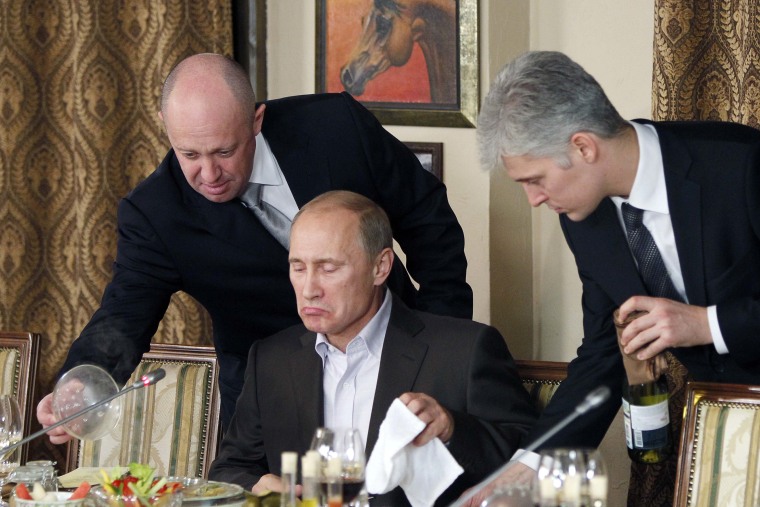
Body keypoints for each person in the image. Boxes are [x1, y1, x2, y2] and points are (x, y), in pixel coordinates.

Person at [36, 53, 473, 440]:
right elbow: (122, 318)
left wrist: (440, 343)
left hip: (395, 364)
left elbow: (429, 221)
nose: (209, 174)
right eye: (189, 154)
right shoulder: (155, 214)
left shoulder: (335, 127)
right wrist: (79, 384)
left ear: (256, 121)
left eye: (225, 151)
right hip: (270, 402)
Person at [472, 50, 760, 503]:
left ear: (583, 146)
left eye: (535, 179)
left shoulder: (741, 164)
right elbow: (604, 353)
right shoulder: (582, 217)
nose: (533, 199)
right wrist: (528, 467)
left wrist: (706, 324)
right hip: (719, 445)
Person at [208, 190, 537, 506]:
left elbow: (529, 456)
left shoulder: (464, 350)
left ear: (380, 267)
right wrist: (258, 485)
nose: (309, 289)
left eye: (328, 268)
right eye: (298, 267)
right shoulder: (272, 359)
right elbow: (230, 468)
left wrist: (452, 428)